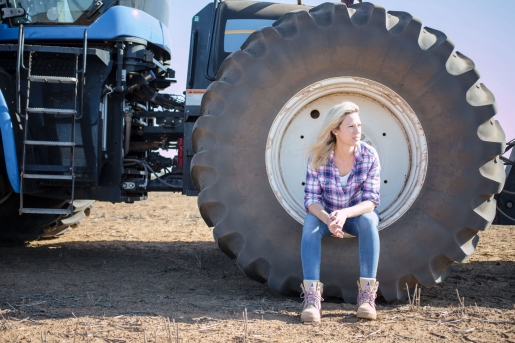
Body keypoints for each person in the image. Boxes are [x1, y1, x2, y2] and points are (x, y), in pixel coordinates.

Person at [300, 101, 381, 323]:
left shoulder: (369, 155)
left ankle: (366, 296)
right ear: (335, 130)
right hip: (326, 216)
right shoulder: (317, 158)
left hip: (355, 216)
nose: (358, 131)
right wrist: (327, 218)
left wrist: (345, 213)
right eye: (351, 127)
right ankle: (312, 298)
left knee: (369, 221)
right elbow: (311, 200)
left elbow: (371, 201)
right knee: (310, 224)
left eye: (359, 126)